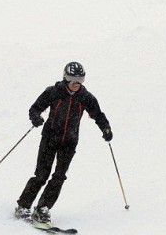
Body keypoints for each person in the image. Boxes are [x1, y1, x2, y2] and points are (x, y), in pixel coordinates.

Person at [14, 61, 112, 223]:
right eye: (73, 81)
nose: (77, 85)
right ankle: (23, 206)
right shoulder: (53, 92)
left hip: (69, 141)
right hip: (50, 139)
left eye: (80, 81)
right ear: (66, 79)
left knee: (59, 176)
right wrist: (36, 117)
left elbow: (98, 115)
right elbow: (35, 108)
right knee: (41, 175)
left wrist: (106, 129)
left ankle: (43, 208)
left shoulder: (86, 97)